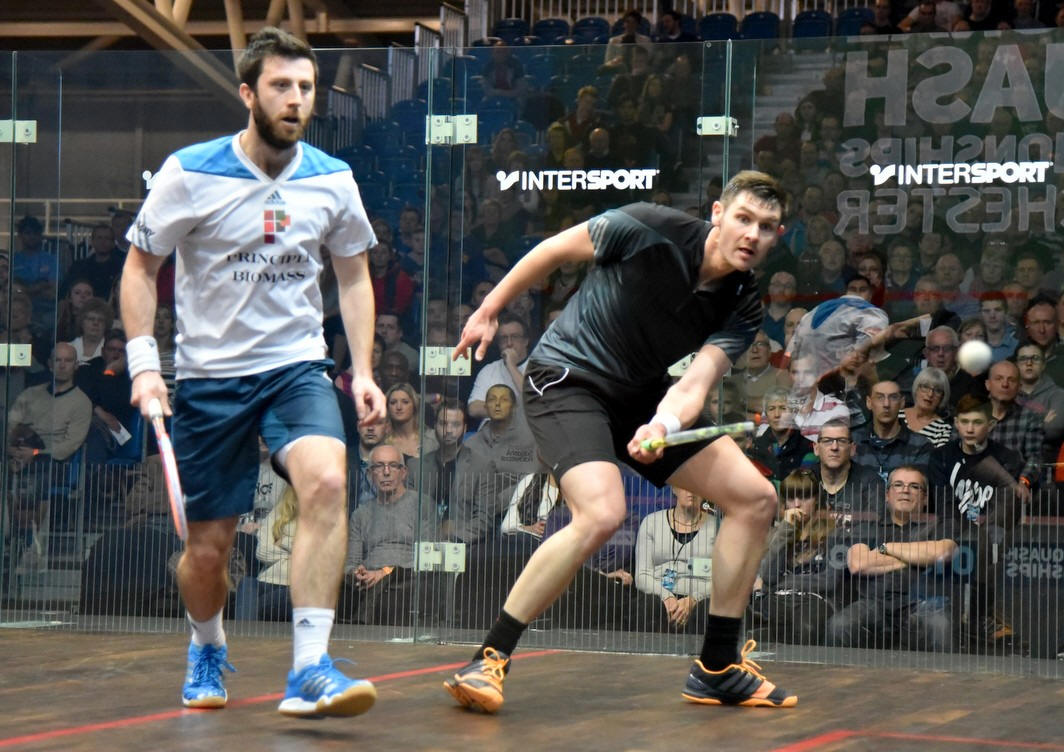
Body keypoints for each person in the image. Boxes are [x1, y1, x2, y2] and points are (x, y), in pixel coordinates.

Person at [444, 170, 797, 712]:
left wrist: (662, 426)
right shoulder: (648, 227)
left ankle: (717, 666)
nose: (752, 234)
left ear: (777, 236)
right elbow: (553, 250)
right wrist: (491, 307)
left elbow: (695, 384)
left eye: (766, 226)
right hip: (566, 380)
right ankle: (489, 657)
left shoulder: (743, 304)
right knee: (602, 513)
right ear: (718, 214)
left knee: (755, 499)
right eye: (743, 218)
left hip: (641, 396)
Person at [120, 28, 385, 717]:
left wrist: (362, 371)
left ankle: (310, 668)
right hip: (210, 381)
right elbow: (140, 268)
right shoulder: (189, 173)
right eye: (280, 86)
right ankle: (206, 644)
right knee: (208, 553)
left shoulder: (332, 178)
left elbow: (354, 277)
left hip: (296, 368)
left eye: (306, 87)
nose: (296, 99)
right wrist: (145, 365)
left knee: (328, 480)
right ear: (247, 93)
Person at [825, 466, 958, 651]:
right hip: (874, 604)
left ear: (925, 497)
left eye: (914, 486)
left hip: (922, 603)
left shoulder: (940, 525)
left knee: (940, 624)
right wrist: (918, 557)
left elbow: (942, 553)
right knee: (839, 625)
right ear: (887, 495)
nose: (905, 490)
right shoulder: (869, 526)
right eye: (898, 485)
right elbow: (858, 564)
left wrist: (886, 548)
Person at [341, 443, 438, 625]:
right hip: (369, 580)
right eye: (379, 466)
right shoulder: (361, 514)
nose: (386, 472)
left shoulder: (422, 505)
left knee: (389, 595)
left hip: (406, 579)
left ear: (404, 472)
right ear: (370, 474)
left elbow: (428, 559)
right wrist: (357, 573)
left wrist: (384, 572)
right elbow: (351, 564)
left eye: (393, 466)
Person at [754, 469, 845, 645]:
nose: (796, 504)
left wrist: (781, 583)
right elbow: (768, 576)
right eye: (791, 498)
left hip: (815, 601)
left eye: (804, 497)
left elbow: (830, 581)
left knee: (805, 624)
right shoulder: (779, 534)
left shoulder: (836, 534)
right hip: (778, 600)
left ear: (816, 499)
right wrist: (786, 530)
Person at [632, 487, 718, 633]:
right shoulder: (651, 522)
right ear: (673, 488)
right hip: (659, 597)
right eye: (684, 485)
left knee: (709, 609)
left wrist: (693, 599)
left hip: (701, 599)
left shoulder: (719, 527)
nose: (691, 491)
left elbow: (722, 581)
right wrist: (666, 597)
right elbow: (642, 575)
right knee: (648, 604)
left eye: (696, 485)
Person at [851, 381, 932, 481]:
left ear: (902, 403)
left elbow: (918, 486)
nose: (886, 404)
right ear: (869, 402)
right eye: (880, 397)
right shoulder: (852, 440)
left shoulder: (920, 446)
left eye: (893, 397)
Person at [813, 418, 885, 529]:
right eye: (827, 441)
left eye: (842, 441)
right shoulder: (804, 479)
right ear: (816, 448)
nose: (834, 447)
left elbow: (871, 531)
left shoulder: (871, 483)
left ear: (852, 449)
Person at [466, 313, 530, 420]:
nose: (509, 343)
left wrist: (511, 366)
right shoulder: (489, 370)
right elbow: (473, 408)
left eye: (515, 337)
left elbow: (534, 401)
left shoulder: (540, 368)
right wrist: (513, 410)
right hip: (492, 430)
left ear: (525, 341)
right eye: (504, 338)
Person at [750, 387, 816, 481]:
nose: (777, 414)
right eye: (771, 409)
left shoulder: (807, 447)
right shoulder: (757, 446)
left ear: (793, 412)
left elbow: (804, 485)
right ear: (766, 414)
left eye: (783, 408)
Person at [899, 367, 953, 448]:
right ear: (916, 388)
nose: (930, 394)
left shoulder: (943, 430)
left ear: (942, 397)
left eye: (937, 391)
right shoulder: (896, 416)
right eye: (925, 387)